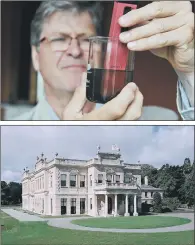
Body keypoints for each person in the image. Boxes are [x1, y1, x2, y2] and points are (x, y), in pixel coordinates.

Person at [15, 1, 194, 120]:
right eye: (59, 39)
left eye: (86, 40)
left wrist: (190, 72)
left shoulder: (162, 119)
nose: (75, 51)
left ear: (104, 51)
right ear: (35, 56)